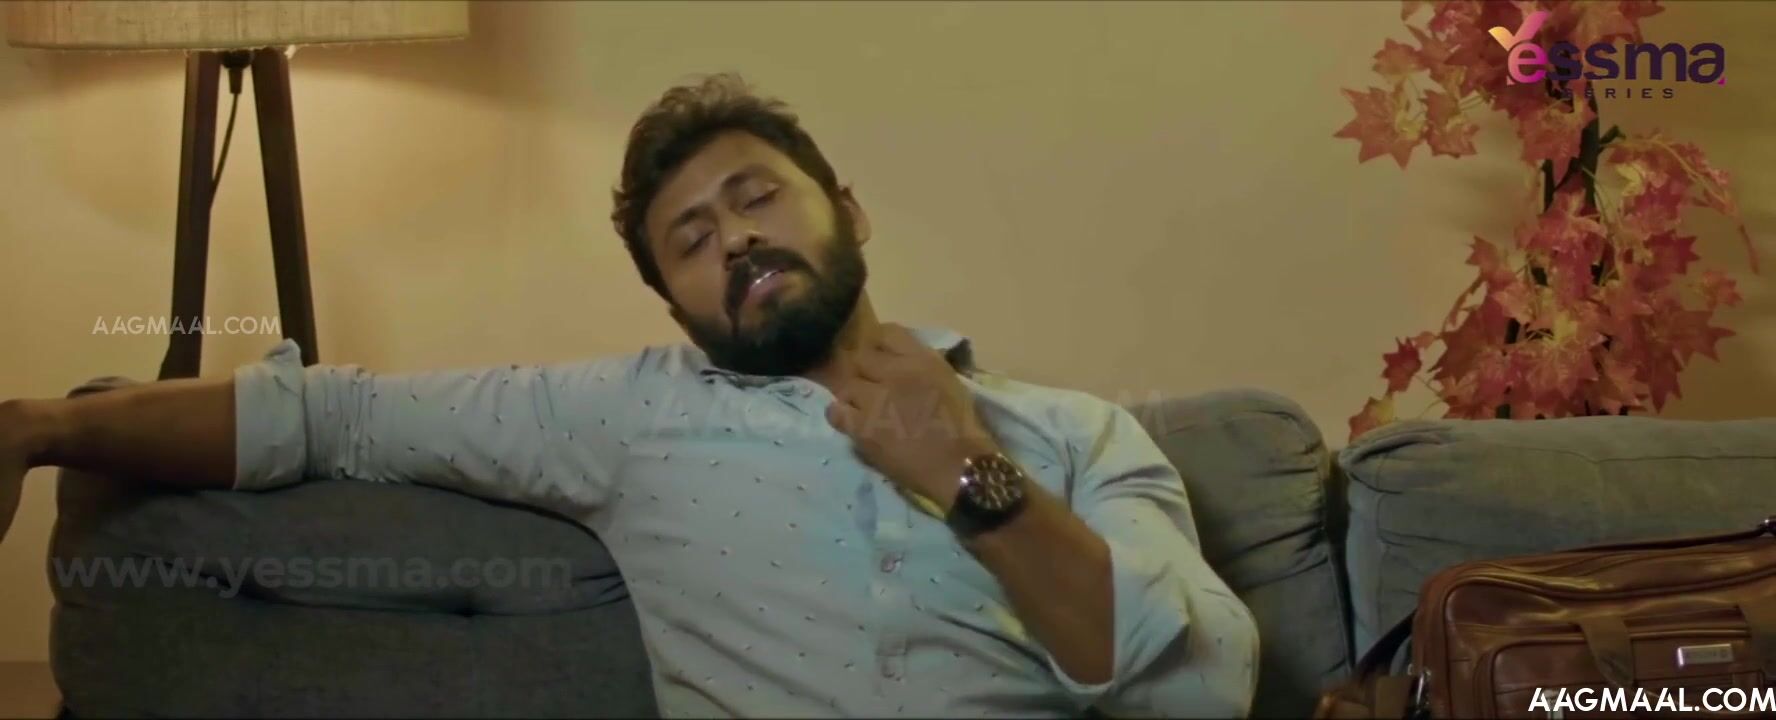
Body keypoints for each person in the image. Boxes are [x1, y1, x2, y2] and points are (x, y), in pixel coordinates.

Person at [0, 74, 1258, 718]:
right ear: (675, 305)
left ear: (848, 211)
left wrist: (972, 478)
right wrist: (43, 427)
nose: (735, 240)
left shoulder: (1076, 431)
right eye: (690, 239)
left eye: (758, 199)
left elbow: (1202, 690)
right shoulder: (628, 416)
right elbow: (338, 415)